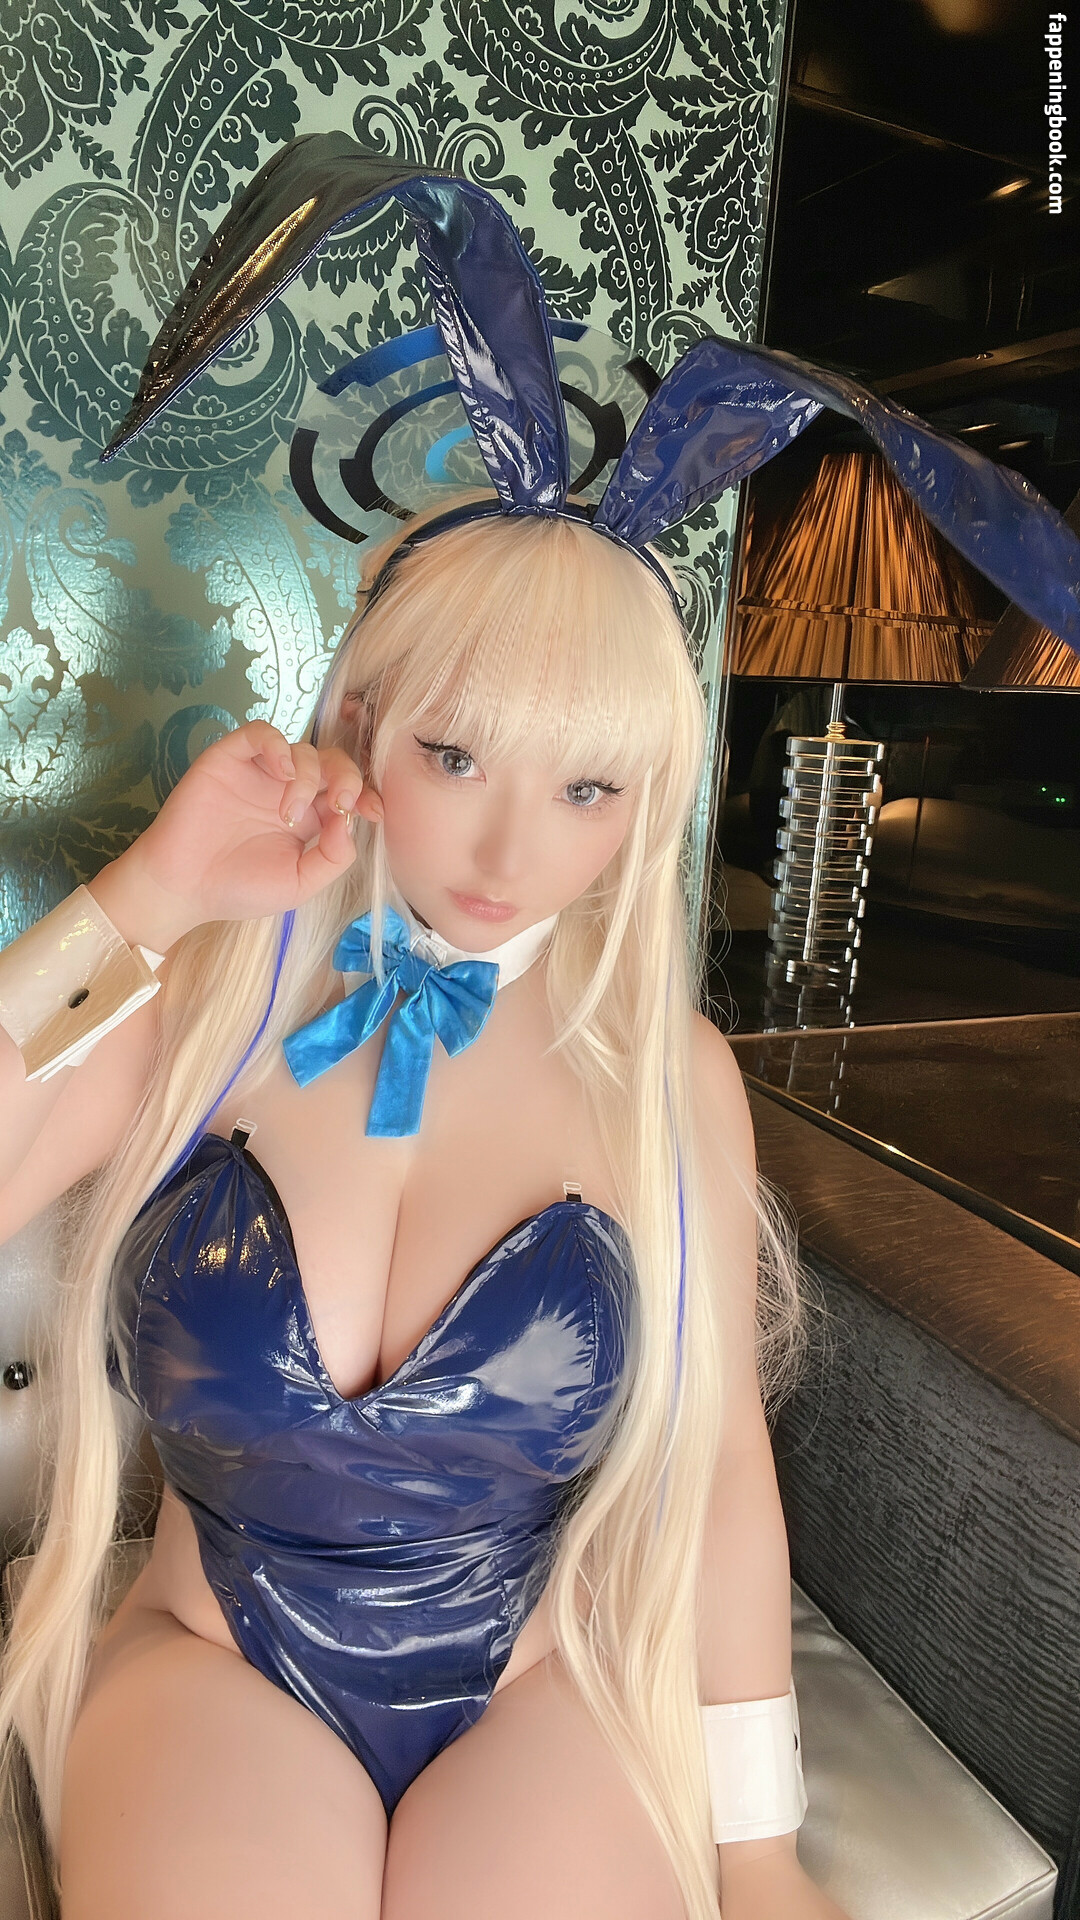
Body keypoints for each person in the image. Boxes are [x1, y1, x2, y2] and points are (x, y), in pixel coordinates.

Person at [1, 134, 1077, 1920]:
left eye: (589, 788)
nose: (512, 856)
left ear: (647, 805)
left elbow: (717, 1468)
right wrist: (144, 899)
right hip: (212, 1669)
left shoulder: (665, 1079)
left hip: (535, 1692)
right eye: (457, 756)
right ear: (366, 719)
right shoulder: (210, 987)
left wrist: (755, 1852)